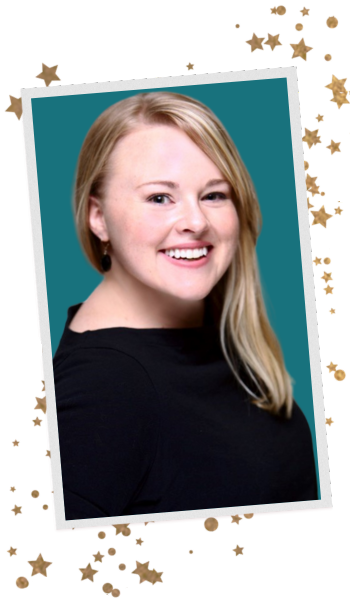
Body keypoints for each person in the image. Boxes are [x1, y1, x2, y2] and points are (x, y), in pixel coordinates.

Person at [53, 91, 318, 520]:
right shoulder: (103, 389)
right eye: (160, 197)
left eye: (214, 195)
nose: (196, 221)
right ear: (97, 217)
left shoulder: (216, 335)